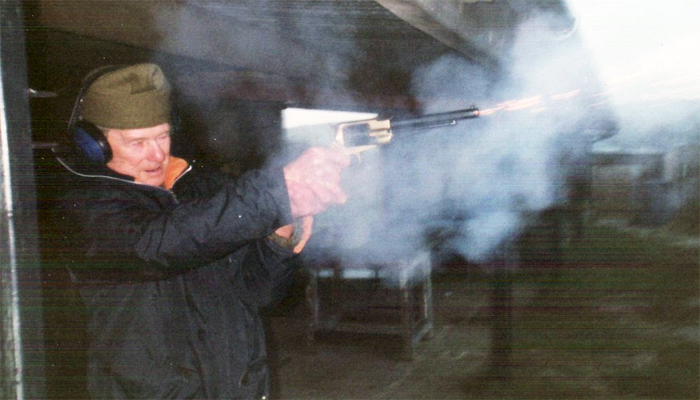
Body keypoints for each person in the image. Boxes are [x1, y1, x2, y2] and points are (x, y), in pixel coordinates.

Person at [52, 63, 350, 399]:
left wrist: (279, 234)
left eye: (163, 135)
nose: (157, 154)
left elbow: (259, 294)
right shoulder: (83, 208)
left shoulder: (205, 190)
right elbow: (156, 244)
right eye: (137, 143)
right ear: (94, 145)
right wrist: (273, 193)